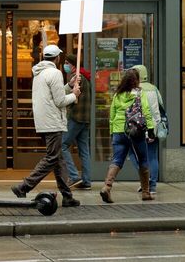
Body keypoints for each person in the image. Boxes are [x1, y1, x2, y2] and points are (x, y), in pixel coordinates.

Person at [11, 45, 81, 208]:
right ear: (57, 58)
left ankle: (67, 196)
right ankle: (24, 186)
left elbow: (53, 95)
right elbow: (60, 101)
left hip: (44, 121)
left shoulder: (39, 72)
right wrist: (74, 95)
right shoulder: (55, 73)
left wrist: (69, 86)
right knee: (52, 158)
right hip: (53, 122)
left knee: (59, 160)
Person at [99, 68, 156, 203]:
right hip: (135, 131)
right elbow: (146, 111)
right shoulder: (139, 93)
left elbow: (112, 115)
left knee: (117, 160)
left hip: (119, 131)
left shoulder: (117, 94)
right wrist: (151, 128)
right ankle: (146, 192)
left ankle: (106, 187)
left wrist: (112, 132)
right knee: (143, 159)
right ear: (137, 80)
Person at [129, 65, 162, 195]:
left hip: (139, 128)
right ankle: (152, 185)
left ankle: (145, 179)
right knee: (152, 156)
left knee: (133, 153)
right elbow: (160, 107)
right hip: (153, 126)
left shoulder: (134, 90)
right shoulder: (154, 89)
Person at [61, 53, 93, 190]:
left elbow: (70, 97)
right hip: (85, 119)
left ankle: (74, 176)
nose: (65, 66)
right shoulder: (86, 77)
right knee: (84, 150)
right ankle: (86, 181)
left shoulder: (78, 78)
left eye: (67, 63)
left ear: (73, 65)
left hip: (76, 117)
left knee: (62, 145)